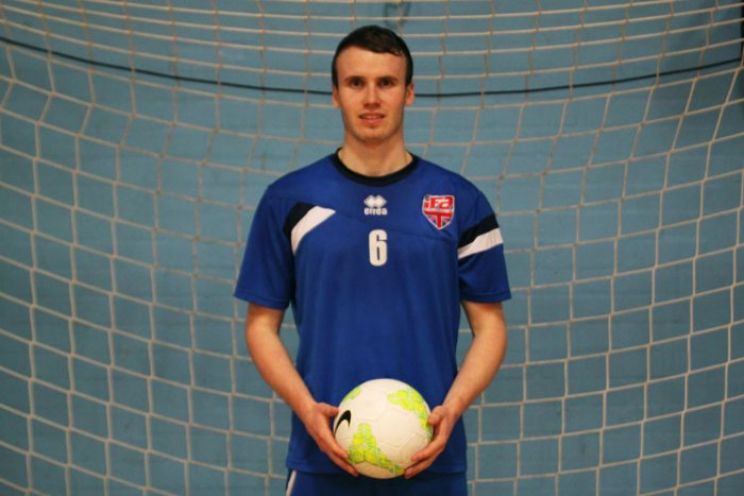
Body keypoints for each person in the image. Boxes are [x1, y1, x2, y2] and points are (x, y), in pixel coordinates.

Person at [234, 25, 510, 496]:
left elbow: (491, 327)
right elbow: (261, 325)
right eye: (355, 83)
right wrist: (306, 409)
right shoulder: (289, 200)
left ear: (409, 92)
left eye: (386, 82)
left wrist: (454, 406)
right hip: (324, 454)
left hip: (429, 455)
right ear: (335, 94)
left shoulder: (460, 201)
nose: (371, 98)